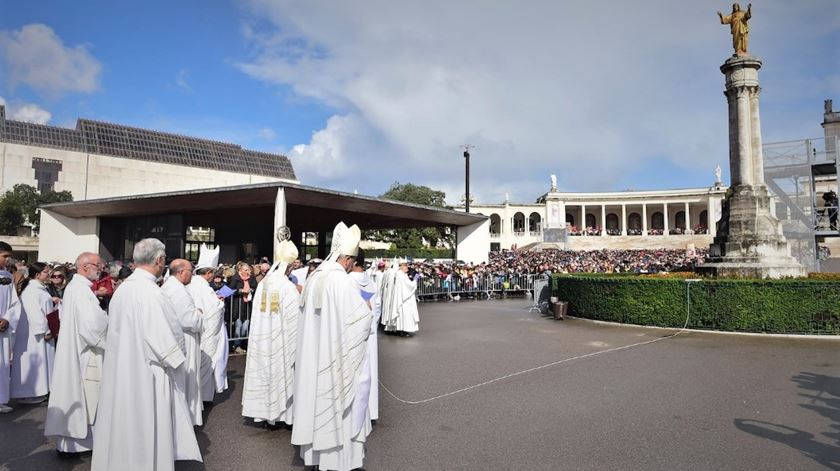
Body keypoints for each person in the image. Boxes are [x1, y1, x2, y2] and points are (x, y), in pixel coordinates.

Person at [91, 238, 201, 471]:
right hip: (146, 374)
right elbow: (167, 342)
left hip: (122, 370)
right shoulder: (152, 293)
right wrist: (179, 360)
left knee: (123, 425)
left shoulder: (124, 289)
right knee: (145, 426)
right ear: (160, 260)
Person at [291, 222, 372, 471]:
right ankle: (337, 461)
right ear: (346, 258)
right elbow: (359, 320)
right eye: (351, 260)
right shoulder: (342, 282)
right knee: (339, 405)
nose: (350, 265)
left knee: (315, 397)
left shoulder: (315, 276)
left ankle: (316, 457)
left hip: (314, 355)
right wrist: (367, 311)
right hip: (334, 357)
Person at [45, 252, 109, 453]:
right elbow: (92, 325)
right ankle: (79, 445)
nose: (101, 269)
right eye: (98, 265)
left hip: (78, 348)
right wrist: (111, 325)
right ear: (84, 267)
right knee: (86, 395)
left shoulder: (77, 288)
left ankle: (74, 444)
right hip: (85, 352)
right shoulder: (81, 290)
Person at [241, 239, 300, 426]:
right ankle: (282, 415)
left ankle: (265, 414)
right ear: (289, 267)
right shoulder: (287, 287)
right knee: (281, 371)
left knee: (265, 372)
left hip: (263, 339)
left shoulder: (265, 283)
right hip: (281, 339)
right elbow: (295, 319)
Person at [161, 259, 204, 426]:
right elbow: (188, 320)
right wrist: (199, 314)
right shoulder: (178, 290)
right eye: (190, 270)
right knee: (186, 378)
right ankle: (186, 420)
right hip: (185, 337)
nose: (192, 274)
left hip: (176, 335)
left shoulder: (170, 286)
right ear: (180, 272)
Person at [10, 262, 57, 404]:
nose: (48, 274)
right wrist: (45, 330)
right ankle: (30, 392)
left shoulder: (39, 288)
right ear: (37, 275)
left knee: (43, 362)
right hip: (34, 334)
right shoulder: (31, 290)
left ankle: (39, 391)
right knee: (35, 362)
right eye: (45, 272)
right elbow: (34, 313)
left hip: (40, 332)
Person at [187, 244, 228, 403]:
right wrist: (220, 303)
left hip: (195, 330)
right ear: (209, 273)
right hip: (206, 332)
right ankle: (201, 398)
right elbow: (214, 311)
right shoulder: (204, 288)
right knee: (206, 364)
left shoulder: (191, 284)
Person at [349, 249, 380, 422]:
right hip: (370, 333)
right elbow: (378, 307)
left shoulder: (346, 282)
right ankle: (370, 411)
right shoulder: (370, 281)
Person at [0, 241, 21, 413]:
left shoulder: (7, 276)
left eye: (8, 256)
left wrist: (7, 318)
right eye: (4, 256)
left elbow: (14, 303)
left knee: (2, 364)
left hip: (3, 327)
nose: (7, 260)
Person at [382, 259, 420, 336]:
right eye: (405, 265)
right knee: (404, 314)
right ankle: (403, 330)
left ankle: (399, 329)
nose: (407, 267)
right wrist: (415, 279)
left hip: (400, 297)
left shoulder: (398, 274)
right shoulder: (401, 275)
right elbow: (409, 286)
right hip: (404, 299)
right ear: (401, 266)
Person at [227, 261, 256, 354]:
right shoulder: (235, 278)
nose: (248, 271)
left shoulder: (251, 278)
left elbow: (256, 287)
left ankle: (240, 343)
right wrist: (240, 291)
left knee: (245, 327)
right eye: (246, 270)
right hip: (237, 306)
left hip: (247, 306)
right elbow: (230, 290)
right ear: (240, 270)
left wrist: (251, 289)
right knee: (238, 326)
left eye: (248, 269)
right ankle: (237, 345)